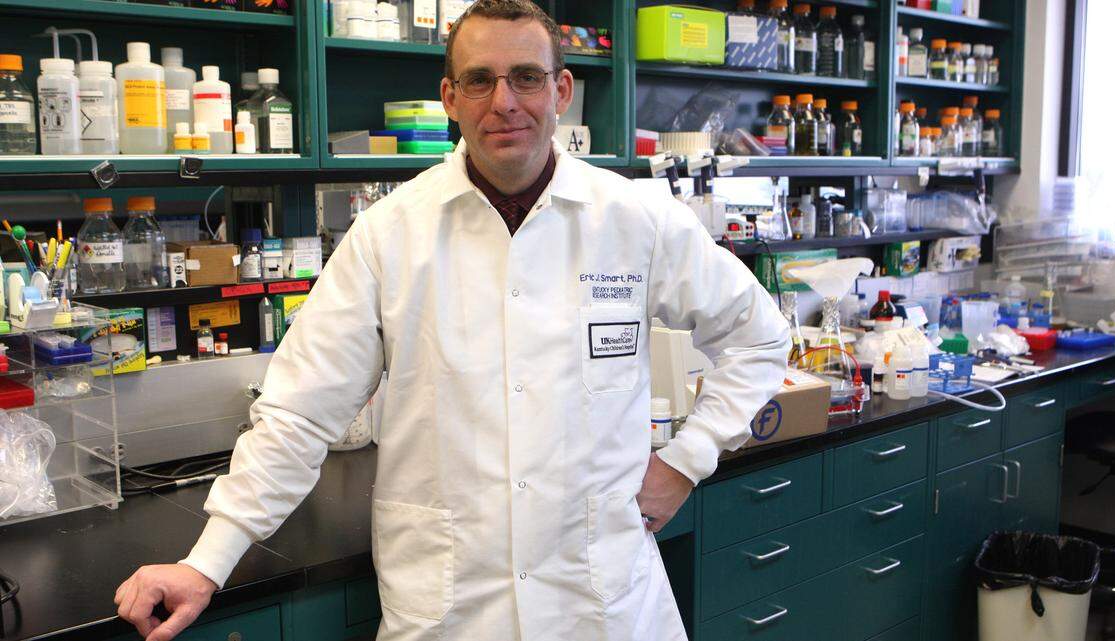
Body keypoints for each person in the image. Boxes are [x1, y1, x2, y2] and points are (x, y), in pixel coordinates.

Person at [113, 1, 791, 640]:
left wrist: (684, 461)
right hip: (451, 610)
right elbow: (298, 410)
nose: (504, 102)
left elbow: (760, 336)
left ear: (561, 92)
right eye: (479, 80)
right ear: (449, 98)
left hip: (601, 602)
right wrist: (207, 560)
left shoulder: (636, 219)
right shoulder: (390, 234)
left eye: (526, 77)